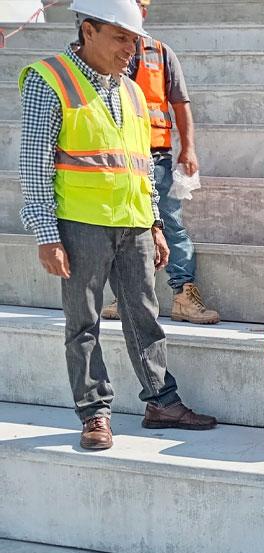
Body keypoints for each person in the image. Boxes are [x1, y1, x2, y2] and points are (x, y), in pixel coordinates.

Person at [18, 0, 216, 450]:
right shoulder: (50, 80)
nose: (132, 48)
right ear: (88, 31)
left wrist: (155, 224)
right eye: (121, 37)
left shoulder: (129, 89)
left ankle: (162, 401)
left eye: (135, 39)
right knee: (82, 324)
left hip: (133, 223)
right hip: (80, 223)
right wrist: (46, 235)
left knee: (144, 316)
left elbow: (140, 164)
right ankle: (94, 414)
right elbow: (33, 165)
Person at [100, 0, 219, 325]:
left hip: (155, 158)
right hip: (113, 156)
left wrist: (188, 149)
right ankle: (124, 296)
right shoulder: (100, 54)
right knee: (119, 226)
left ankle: (184, 295)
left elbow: (180, 104)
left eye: (136, 5)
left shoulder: (162, 53)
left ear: (144, 11)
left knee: (170, 224)